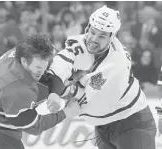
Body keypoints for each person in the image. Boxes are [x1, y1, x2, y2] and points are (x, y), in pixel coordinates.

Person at [46, 5, 157, 149]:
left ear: (112, 37)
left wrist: (66, 89)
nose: (93, 39)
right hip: (102, 126)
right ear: (87, 28)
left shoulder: (117, 63)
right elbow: (61, 63)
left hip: (131, 122)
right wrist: (55, 91)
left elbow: (88, 102)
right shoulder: (81, 42)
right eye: (92, 32)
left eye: (102, 36)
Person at [0, 34, 80, 149]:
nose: (43, 71)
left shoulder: (27, 52)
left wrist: (58, 91)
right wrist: (66, 112)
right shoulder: (15, 87)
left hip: (5, 128)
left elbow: (49, 74)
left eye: (45, 66)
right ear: (24, 61)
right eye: (39, 68)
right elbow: (34, 126)